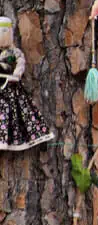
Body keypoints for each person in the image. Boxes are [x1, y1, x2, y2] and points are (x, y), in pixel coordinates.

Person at [0, 16, 54, 151]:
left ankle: (22, 136)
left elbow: (20, 62)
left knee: (18, 112)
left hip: (11, 85)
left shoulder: (14, 52)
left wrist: (16, 74)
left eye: (5, 32)